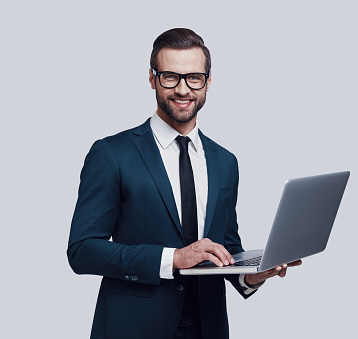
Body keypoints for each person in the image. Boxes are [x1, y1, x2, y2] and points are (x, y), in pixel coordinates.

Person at [67, 28, 301, 339]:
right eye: (170, 77)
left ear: (207, 81)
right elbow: (82, 251)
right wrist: (173, 258)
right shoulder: (111, 154)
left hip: (208, 328)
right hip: (135, 329)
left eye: (194, 77)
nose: (183, 89)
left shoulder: (225, 161)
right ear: (152, 79)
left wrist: (253, 275)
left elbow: (226, 247)